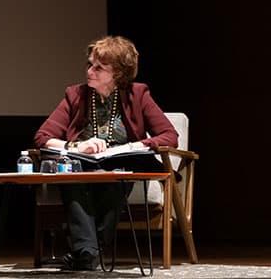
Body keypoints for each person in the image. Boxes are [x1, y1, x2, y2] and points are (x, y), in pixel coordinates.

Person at [33, 36, 177, 271]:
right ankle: (90, 251)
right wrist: (77, 147)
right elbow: (42, 137)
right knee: (70, 175)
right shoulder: (75, 94)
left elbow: (169, 135)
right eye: (90, 64)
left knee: (117, 176)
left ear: (118, 73)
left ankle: (85, 252)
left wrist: (133, 146)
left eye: (99, 67)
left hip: (120, 164)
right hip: (83, 163)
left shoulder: (138, 94)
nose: (90, 71)